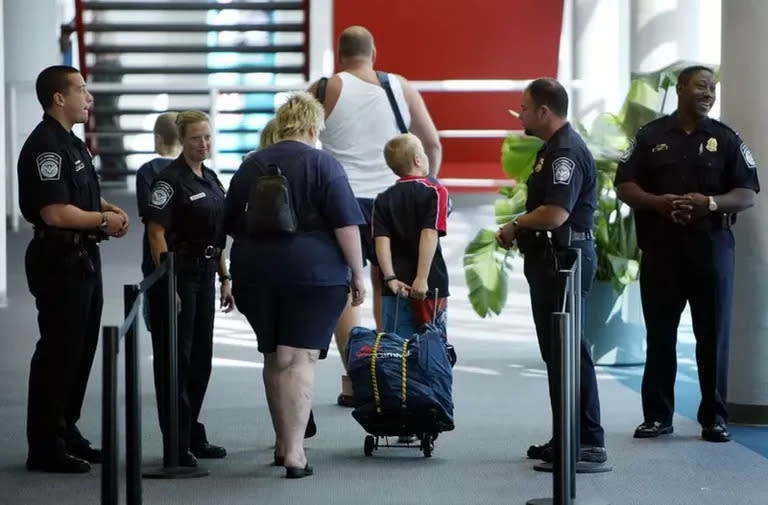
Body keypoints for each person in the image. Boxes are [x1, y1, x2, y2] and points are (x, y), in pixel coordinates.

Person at [224, 92, 366, 478]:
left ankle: (283, 442)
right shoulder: (324, 164)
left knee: (274, 357)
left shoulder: (250, 164)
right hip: (313, 273)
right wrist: (358, 272)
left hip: (255, 272)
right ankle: (295, 453)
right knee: (299, 358)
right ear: (310, 126)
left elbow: (230, 222)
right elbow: (346, 225)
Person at [615, 66, 759, 443]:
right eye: (700, 86)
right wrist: (657, 203)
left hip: (711, 251)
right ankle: (658, 416)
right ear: (681, 89)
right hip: (662, 251)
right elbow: (625, 184)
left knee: (712, 336)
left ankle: (714, 417)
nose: (708, 93)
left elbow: (747, 193)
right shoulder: (650, 136)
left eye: (711, 88)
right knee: (659, 334)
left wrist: (709, 203)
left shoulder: (726, 139)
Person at [310, 25, 442, 407]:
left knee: (346, 288)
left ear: (339, 54)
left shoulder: (324, 88)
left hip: (341, 202)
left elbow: (292, 135)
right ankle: (390, 371)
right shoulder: (400, 85)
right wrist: (427, 188)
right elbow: (431, 142)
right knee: (389, 282)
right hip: (395, 200)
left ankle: (355, 378)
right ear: (374, 52)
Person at [18, 65, 130, 473]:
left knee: (80, 350)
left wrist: (105, 209)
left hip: (82, 257)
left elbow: (80, 196)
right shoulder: (47, 146)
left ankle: (67, 429)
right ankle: (45, 444)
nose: (90, 96)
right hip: (59, 259)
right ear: (59, 98)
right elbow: (55, 211)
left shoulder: (72, 143)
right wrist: (103, 222)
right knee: (59, 351)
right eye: (81, 89)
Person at [496, 78, 607, 464]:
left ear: (544, 111)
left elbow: (555, 213)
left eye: (524, 108)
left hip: (566, 260)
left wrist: (515, 225)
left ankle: (588, 441)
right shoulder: (552, 150)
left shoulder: (565, 153)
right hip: (551, 261)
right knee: (558, 353)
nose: (520, 114)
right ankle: (567, 436)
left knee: (570, 351)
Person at [145, 110, 234, 467]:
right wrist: (169, 285)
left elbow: (219, 233)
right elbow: (155, 233)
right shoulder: (169, 181)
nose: (203, 144)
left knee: (200, 361)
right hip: (178, 274)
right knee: (176, 361)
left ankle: (190, 430)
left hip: (208, 271)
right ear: (183, 140)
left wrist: (225, 277)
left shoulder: (211, 178)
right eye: (196, 138)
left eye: (208, 137)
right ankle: (176, 442)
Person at [373, 133, 449, 337]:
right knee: (431, 347)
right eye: (423, 153)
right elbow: (429, 234)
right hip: (429, 284)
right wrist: (421, 278)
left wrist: (390, 278)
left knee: (397, 350)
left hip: (395, 287)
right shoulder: (436, 192)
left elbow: (381, 241)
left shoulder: (382, 199)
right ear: (417, 159)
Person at [136, 112, 181, 330]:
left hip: (156, 261)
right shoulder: (194, 169)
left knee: (160, 330)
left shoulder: (148, 171)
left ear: (158, 139)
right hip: (191, 261)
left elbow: (150, 216)